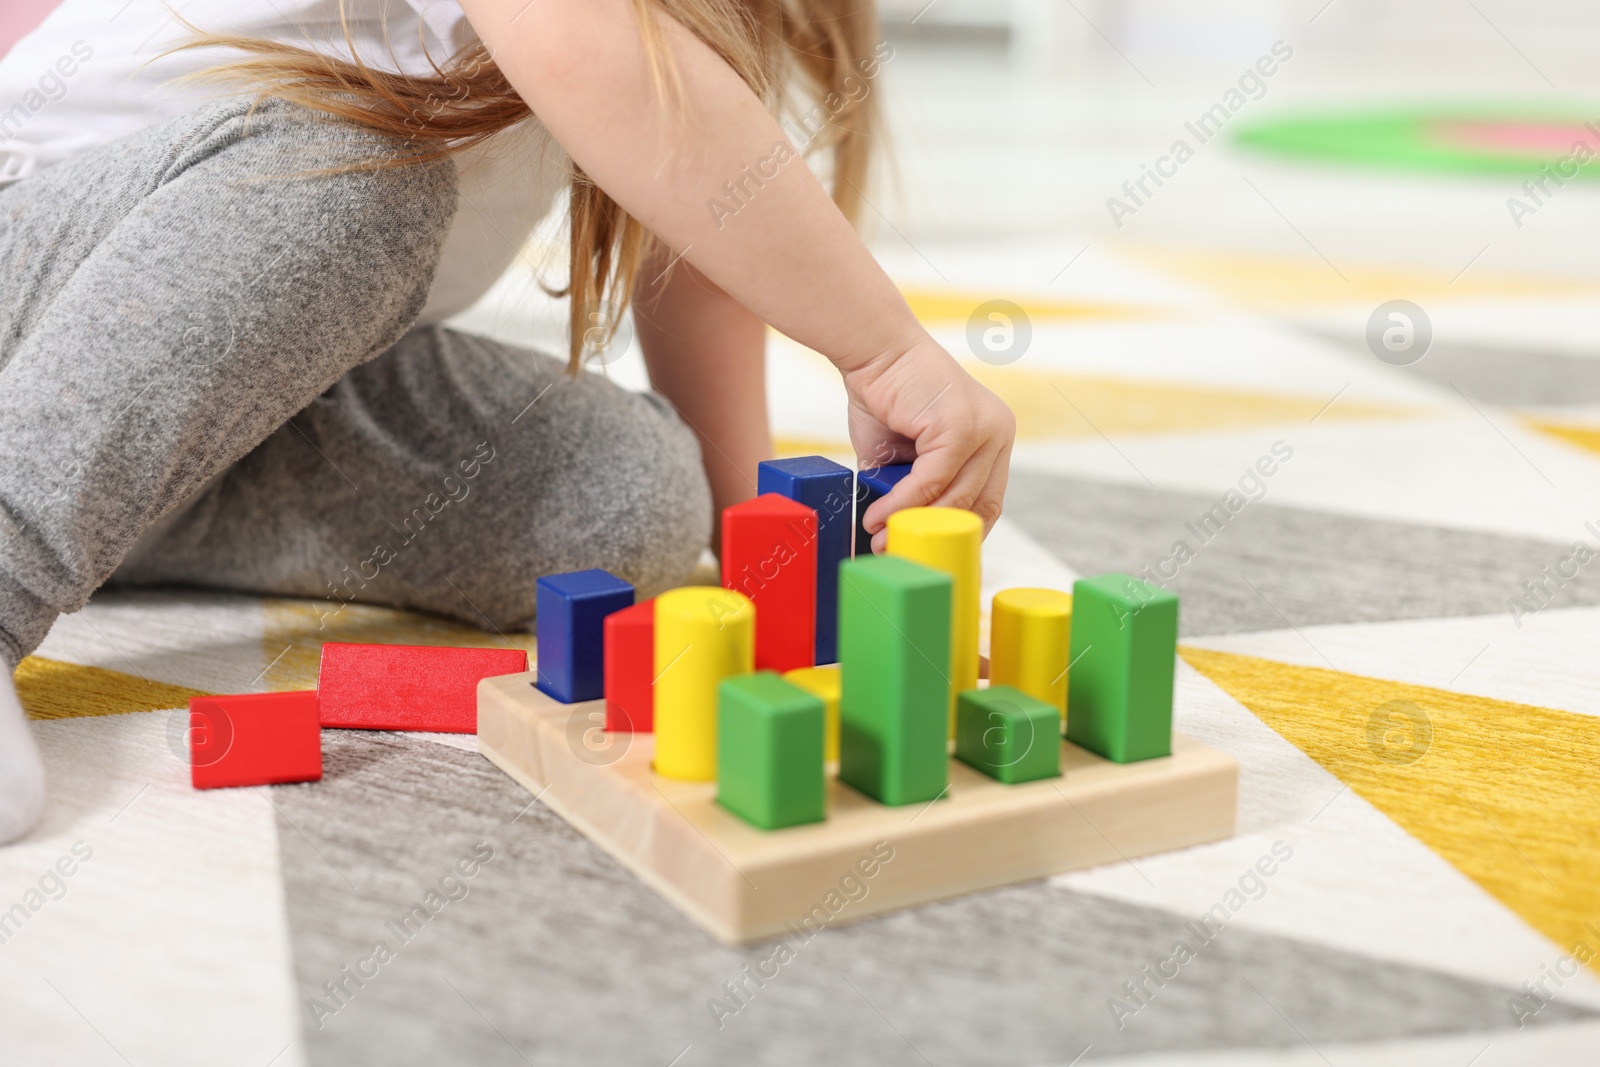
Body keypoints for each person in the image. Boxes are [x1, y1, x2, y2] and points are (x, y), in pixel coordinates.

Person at [0, 0, 1016, 843]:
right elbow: (582, 42)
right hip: (32, 266)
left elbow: (699, 219)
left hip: (204, 390)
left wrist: (765, 551)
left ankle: (93, 489)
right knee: (353, 180)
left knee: (634, 495)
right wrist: (884, 349)